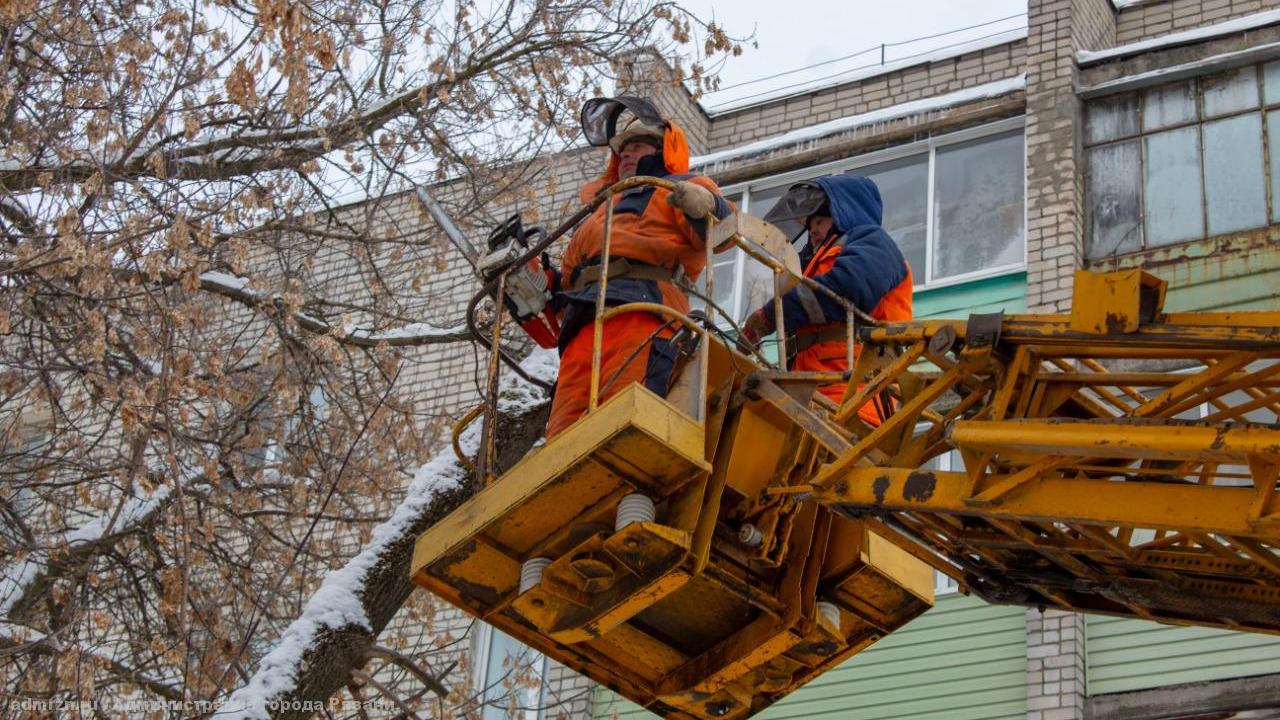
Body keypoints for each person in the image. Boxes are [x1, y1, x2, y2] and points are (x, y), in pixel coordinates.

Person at [544, 96, 733, 437]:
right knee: (563, 436)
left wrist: (705, 205)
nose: (627, 153)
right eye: (623, 149)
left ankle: (633, 489)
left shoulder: (677, 188)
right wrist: (534, 279)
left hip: (644, 315)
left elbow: (724, 232)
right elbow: (567, 286)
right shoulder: (596, 215)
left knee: (625, 422)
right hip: (584, 326)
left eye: (639, 145)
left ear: (663, 151)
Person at [739, 175, 913, 426]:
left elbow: (849, 287)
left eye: (820, 220)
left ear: (845, 215)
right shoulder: (813, 264)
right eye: (810, 225)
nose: (813, 230)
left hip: (853, 396)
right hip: (813, 395)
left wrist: (770, 316)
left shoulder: (874, 243)